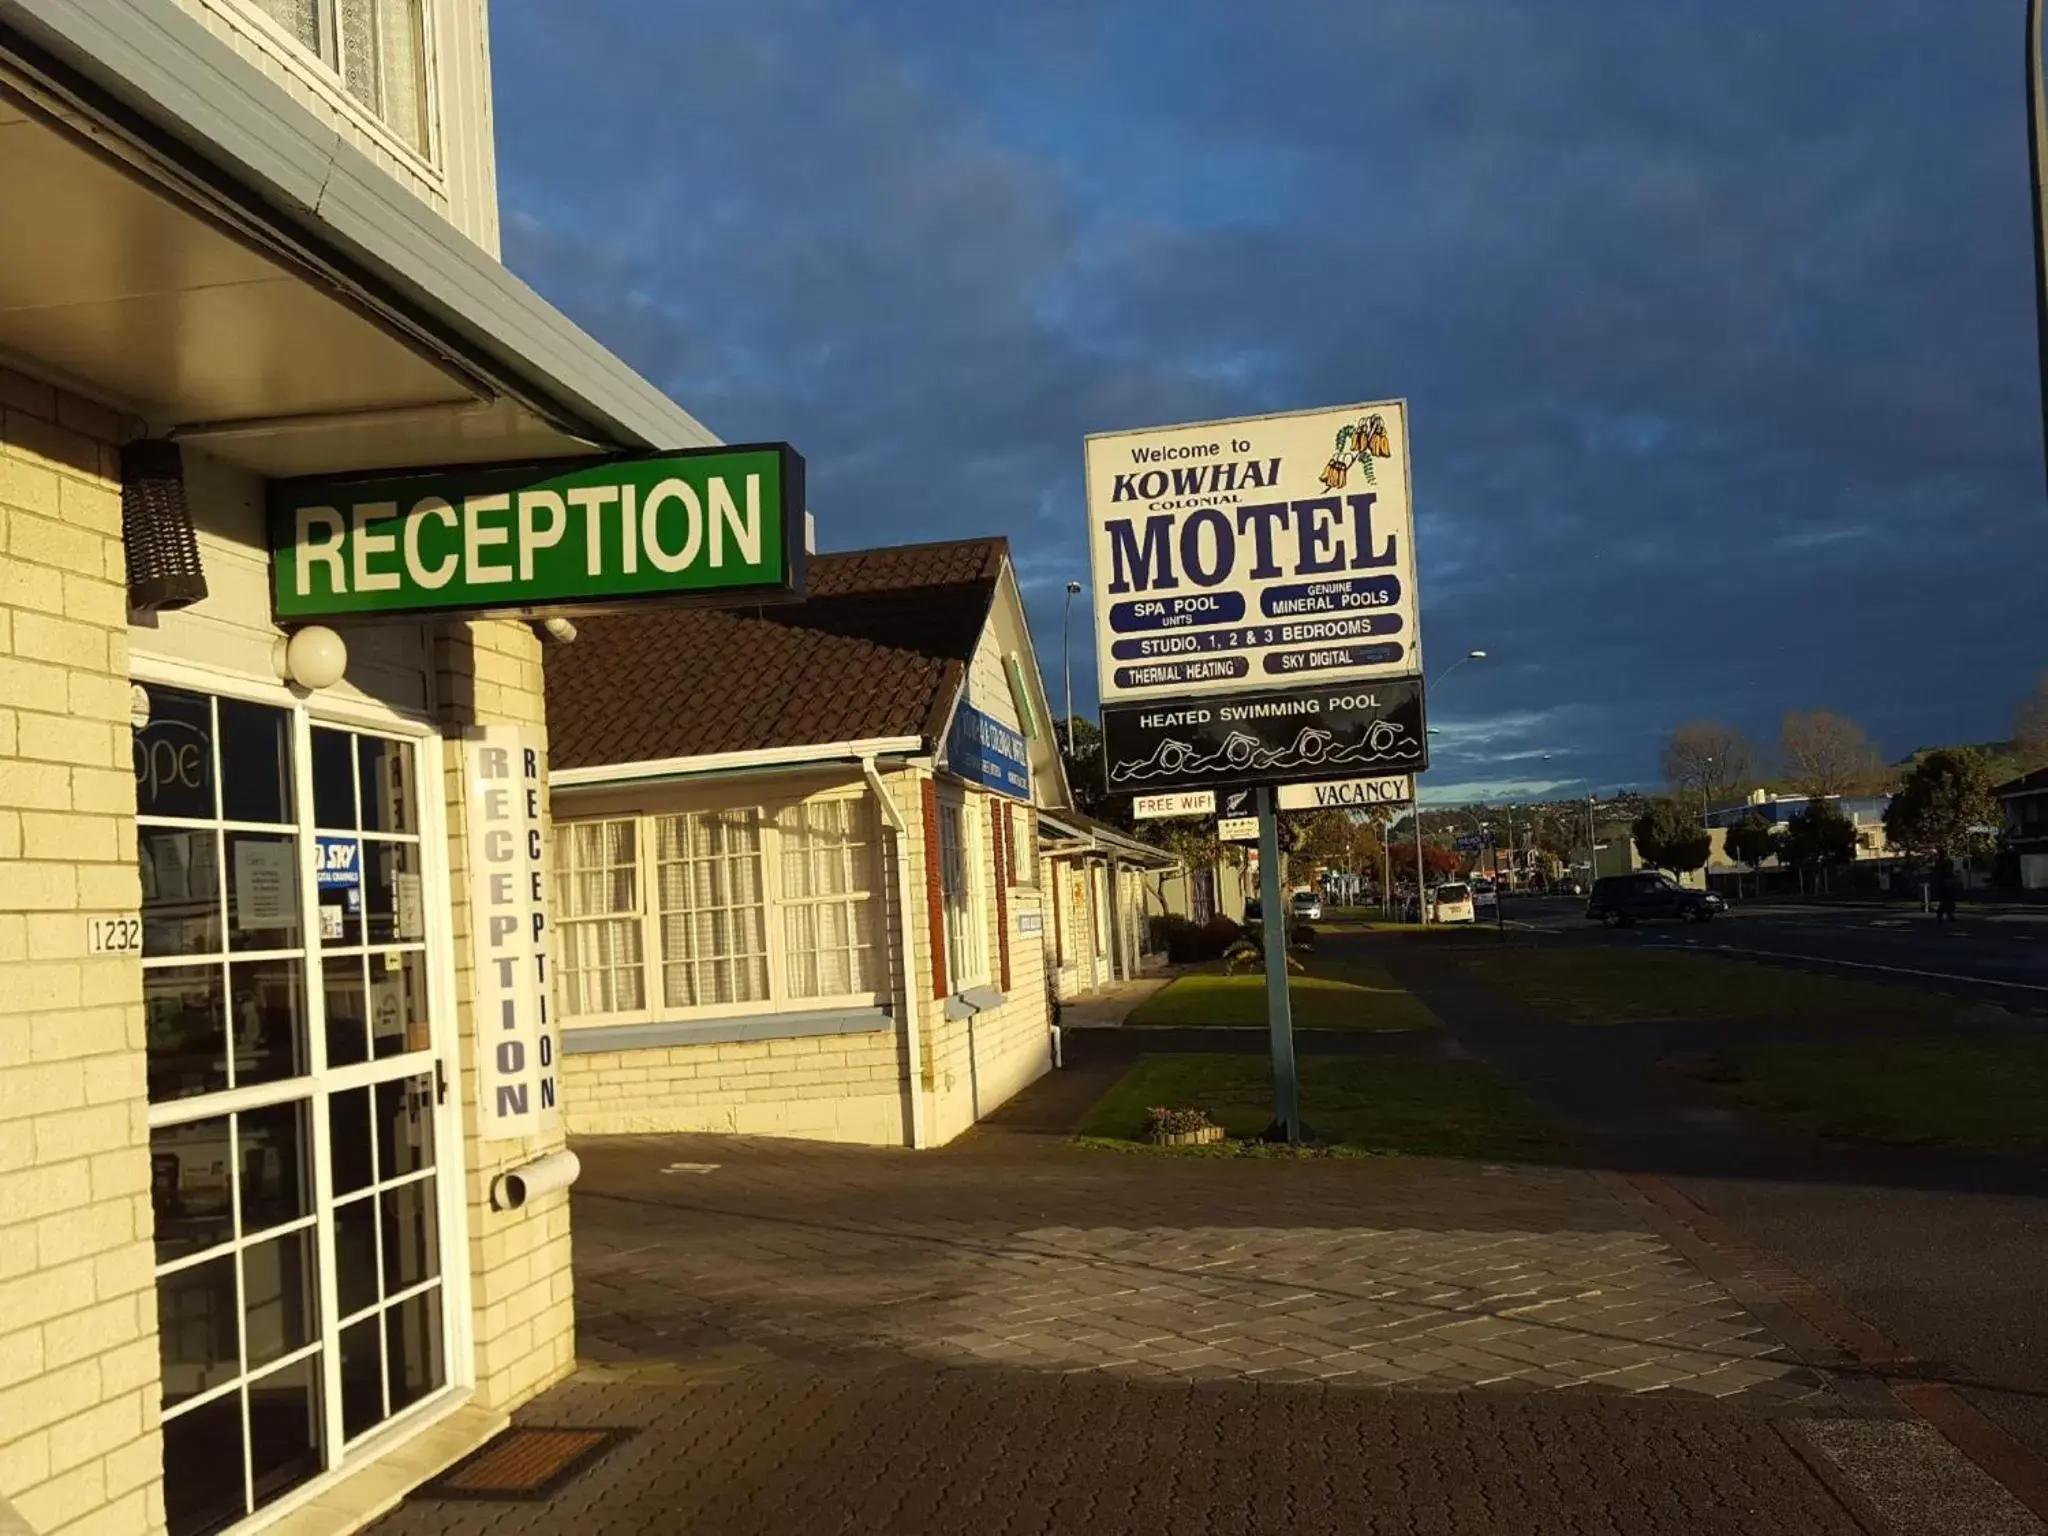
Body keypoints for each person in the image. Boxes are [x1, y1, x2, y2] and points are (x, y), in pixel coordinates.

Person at [1935, 858, 1960, 924]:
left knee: (1949, 902)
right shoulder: (1944, 873)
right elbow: (1944, 880)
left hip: (1948, 888)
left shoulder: (1946, 873)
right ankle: (1943, 914)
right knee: (1946, 902)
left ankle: (1948, 915)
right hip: (1946, 889)